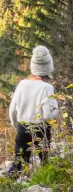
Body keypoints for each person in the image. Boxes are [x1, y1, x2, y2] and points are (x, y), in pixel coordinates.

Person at [9, 45, 58, 173]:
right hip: (41, 128)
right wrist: (54, 116)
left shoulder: (22, 84)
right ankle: (46, 184)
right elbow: (49, 115)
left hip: (22, 126)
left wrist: (16, 124)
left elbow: (13, 109)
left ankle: (8, 183)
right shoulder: (47, 87)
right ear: (49, 67)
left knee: (20, 161)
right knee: (44, 160)